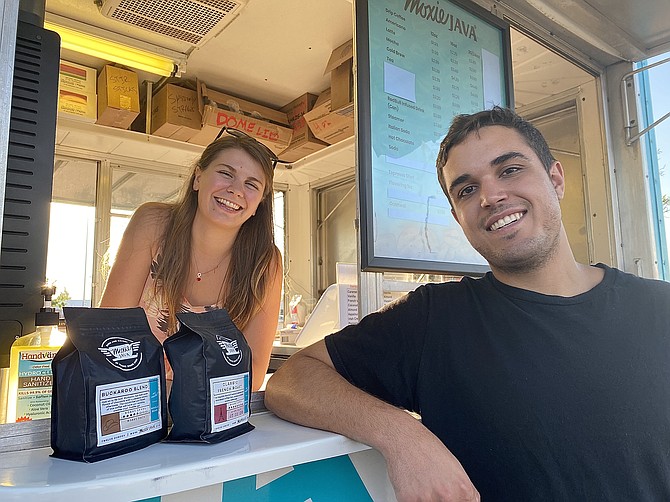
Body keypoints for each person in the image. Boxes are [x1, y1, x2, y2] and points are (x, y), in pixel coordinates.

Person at [265, 107, 670, 501]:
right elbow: (291, 381)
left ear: (555, 178)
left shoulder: (660, 309)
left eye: (510, 169)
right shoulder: (435, 319)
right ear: (459, 217)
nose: (491, 195)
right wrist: (403, 436)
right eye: (467, 189)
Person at [101, 129, 283, 392]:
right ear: (198, 177)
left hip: (205, 420)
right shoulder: (152, 224)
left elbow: (251, 374)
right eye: (226, 173)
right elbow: (108, 337)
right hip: (131, 402)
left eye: (251, 184)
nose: (235, 190)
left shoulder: (266, 262)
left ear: (260, 203)